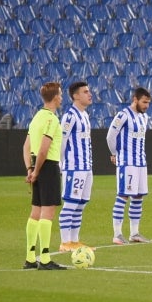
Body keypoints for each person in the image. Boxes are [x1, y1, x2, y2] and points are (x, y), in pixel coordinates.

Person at [22, 81, 67, 270]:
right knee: (47, 212)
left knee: (35, 212)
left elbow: (26, 146)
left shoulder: (36, 118)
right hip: (47, 167)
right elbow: (44, 149)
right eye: (61, 94)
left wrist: (30, 169)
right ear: (55, 97)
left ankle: (30, 258)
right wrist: (37, 171)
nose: (62, 98)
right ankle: (46, 259)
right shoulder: (52, 119)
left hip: (36, 166)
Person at [107, 87, 152, 245]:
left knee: (138, 196)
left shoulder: (144, 117)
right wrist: (115, 153)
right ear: (135, 99)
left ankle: (134, 233)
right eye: (144, 102)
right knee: (123, 195)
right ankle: (117, 234)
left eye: (148, 103)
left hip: (141, 162)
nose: (146, 106)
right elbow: (110, 136)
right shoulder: (123, 115)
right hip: (127, 162)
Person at [58, 81, 94, 252]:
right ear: (75, 96)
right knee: (71, 204)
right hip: (74, 167)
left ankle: (74, 240)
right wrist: (60, 163)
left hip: (86, 167)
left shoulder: (85, 115)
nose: (90, 94)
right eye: (85, 92)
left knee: (81, 204)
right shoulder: (69, 117)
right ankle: (65, 242)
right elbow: (61, 141)